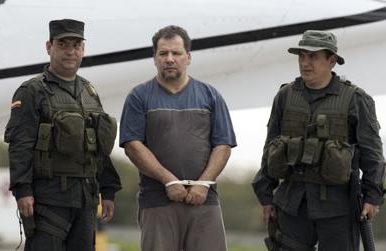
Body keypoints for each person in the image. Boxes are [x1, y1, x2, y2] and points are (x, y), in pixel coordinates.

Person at [252, 30, 385, 251]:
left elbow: (372, 153)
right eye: (302, 56)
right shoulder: (285, 96)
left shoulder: (356, 99)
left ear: (331, 61)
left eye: (313, 56)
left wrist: (372, 197)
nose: (305, 63)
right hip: (292, 203)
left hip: (338, 208)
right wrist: (266, 196)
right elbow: (270, 147)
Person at [4, 19, 121, 251]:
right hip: (49, 200)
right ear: (49, 47)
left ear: (83, 49)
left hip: (86, 201)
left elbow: (99, 146)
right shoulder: (32, 91)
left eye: (76, 45)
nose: (70, 51)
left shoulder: (89, 92)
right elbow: (20, 145)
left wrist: (108, 190)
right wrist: (23, 190)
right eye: (63, 44)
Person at [119, 25, 237, 251]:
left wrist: (203, 184)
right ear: (154, 58)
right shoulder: (139, 96)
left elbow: (223, 145)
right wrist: (168, 180)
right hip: (157, 200)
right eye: (163, 53)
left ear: (188, 57)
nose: (170, 59)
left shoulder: (210, 95)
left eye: (176, 53)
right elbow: (133, 146)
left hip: (205, 199)